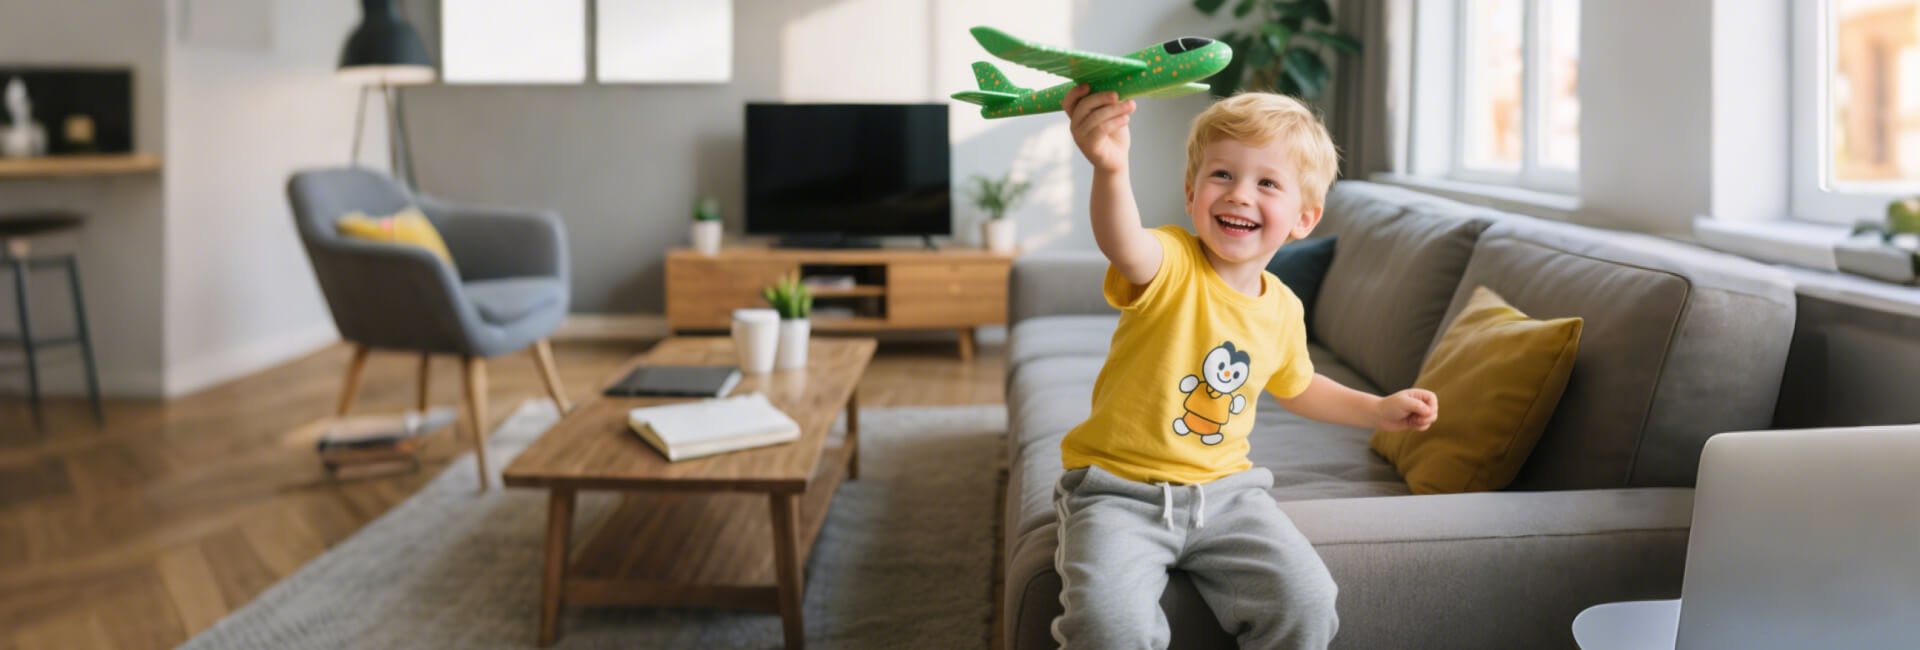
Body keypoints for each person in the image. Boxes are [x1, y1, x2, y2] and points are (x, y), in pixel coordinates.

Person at [1049, 85, 1440, 649]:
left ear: (1304, 218)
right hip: (1118, 493)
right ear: (1191, 194)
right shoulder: (1170, 260)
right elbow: (1124, 244)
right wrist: (1110, 168)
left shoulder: (1282, 305)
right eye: (1222, 176)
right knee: (1110, 627)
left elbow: (1299, 386)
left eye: (1267, 183)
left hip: (1228, 497)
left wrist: (1377, 409)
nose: (1239, 195)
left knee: (1308, 602)